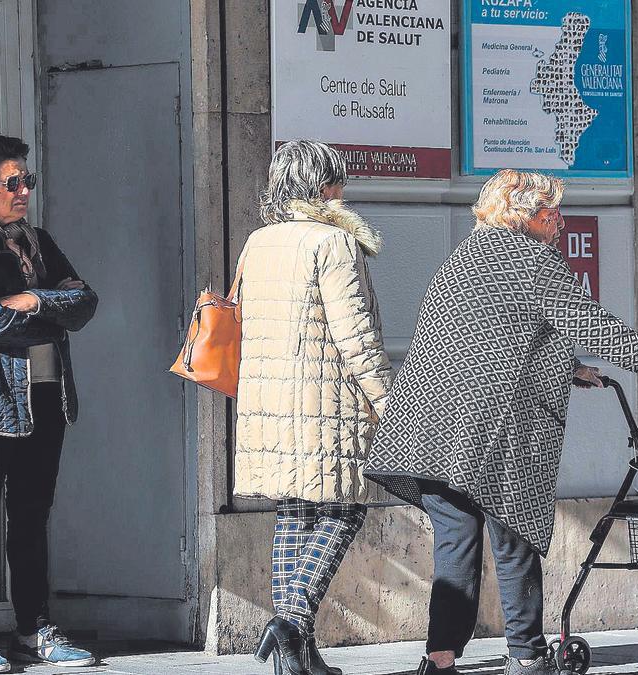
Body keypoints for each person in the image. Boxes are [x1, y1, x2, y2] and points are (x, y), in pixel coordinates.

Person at [364, 169, 638, 675]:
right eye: (554, 212)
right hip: (493, 432)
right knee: (514, 537)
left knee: (455, 542)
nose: (560, 221)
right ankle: (526, 655)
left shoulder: (466, 255)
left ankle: (439, 659)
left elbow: (487, 339)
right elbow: (594, 325)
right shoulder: (534, 260)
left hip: (431, 427)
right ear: (531, 216)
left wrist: (568, 369)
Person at [237, 140, 392, 675]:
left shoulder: (258, 242)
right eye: (338, 180)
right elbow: (356, 335)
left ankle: (297, 655)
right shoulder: (333, 243)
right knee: (344, 510)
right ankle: (289, 622)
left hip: (270, 400)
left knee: (294, 515)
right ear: (324, 186)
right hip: (327, 400)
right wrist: (386, 399)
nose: (343, 189)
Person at [0, 135, 99, 672]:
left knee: (32, 515)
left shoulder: (40, 241)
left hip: (45, 394)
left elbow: (85, 304)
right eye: (12, 183)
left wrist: (36, 298)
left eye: (27, 181)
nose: (23, 191)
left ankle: (34, 628)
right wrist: (50, 307)